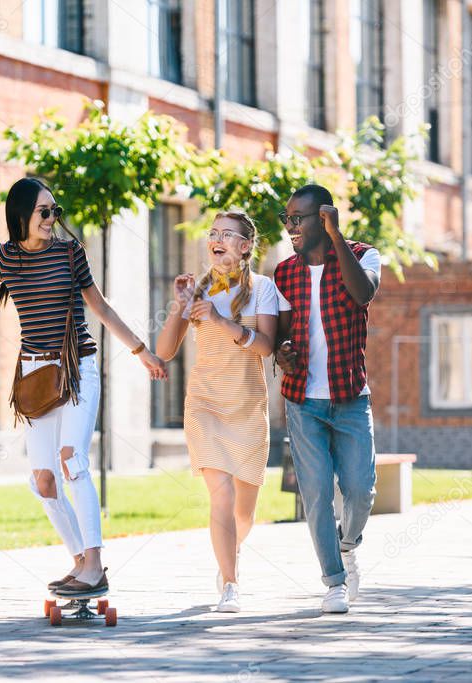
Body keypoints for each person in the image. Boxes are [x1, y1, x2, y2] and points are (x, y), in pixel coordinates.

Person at [0, 177, 167, 595]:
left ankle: (96, 565)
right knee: (44, 481)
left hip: (77, 367)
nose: (51, 219)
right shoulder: (5, 257)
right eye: (43, 212)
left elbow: (99, 306)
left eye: (54, 212)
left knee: (73, 461)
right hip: (35, 375)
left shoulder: (70, 252)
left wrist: (142, 351)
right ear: (22, 216)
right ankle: (80, 560)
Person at [155, 210, 280, 613]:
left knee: (244, 514)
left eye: (227, 234)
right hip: (205, 404)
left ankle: (230, 554)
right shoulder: (200, 290)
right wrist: (181, 306)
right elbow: (164, 352)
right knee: (221, 496)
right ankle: (230, 583)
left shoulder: (263, 288)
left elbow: (265, 346)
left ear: (245, 247)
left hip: (246, 407)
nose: (217, 239)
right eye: (213, 233)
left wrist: (221, 320)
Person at [274, 183, 381, 615]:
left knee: (361, 490)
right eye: (287, 220)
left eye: (297, 219)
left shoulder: (363, 254)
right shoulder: (284, 273)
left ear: (322, 218)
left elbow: (364, 294)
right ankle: (334, 582)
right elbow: (282, 334)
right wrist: (281, 352)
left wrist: (336, 239)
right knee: (316, 493)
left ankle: (348, 545)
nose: (290, 227)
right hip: (303, 400)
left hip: (350, 395)